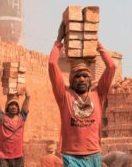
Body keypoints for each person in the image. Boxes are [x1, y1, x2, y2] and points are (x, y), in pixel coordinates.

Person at [48, 21, 116, 167]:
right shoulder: (64, 96)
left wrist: (95, 43)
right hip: (71, 157)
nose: (81, 79)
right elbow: (52, 65)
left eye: (85, 76)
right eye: (77, 76)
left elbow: (111, 66)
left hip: (94, 155)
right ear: (72, 80)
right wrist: (59, 39)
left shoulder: (98, 94)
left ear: (90, 79)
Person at [0, 69, 30, 167]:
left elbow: (28, 96)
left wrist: (21, 81)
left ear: (18, 108)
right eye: (11, 105)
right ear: (7, 107)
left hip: (18, 158)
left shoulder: (22, 118)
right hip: (2, 158)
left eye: (15, 105)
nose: (13, 107)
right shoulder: (1, 118)